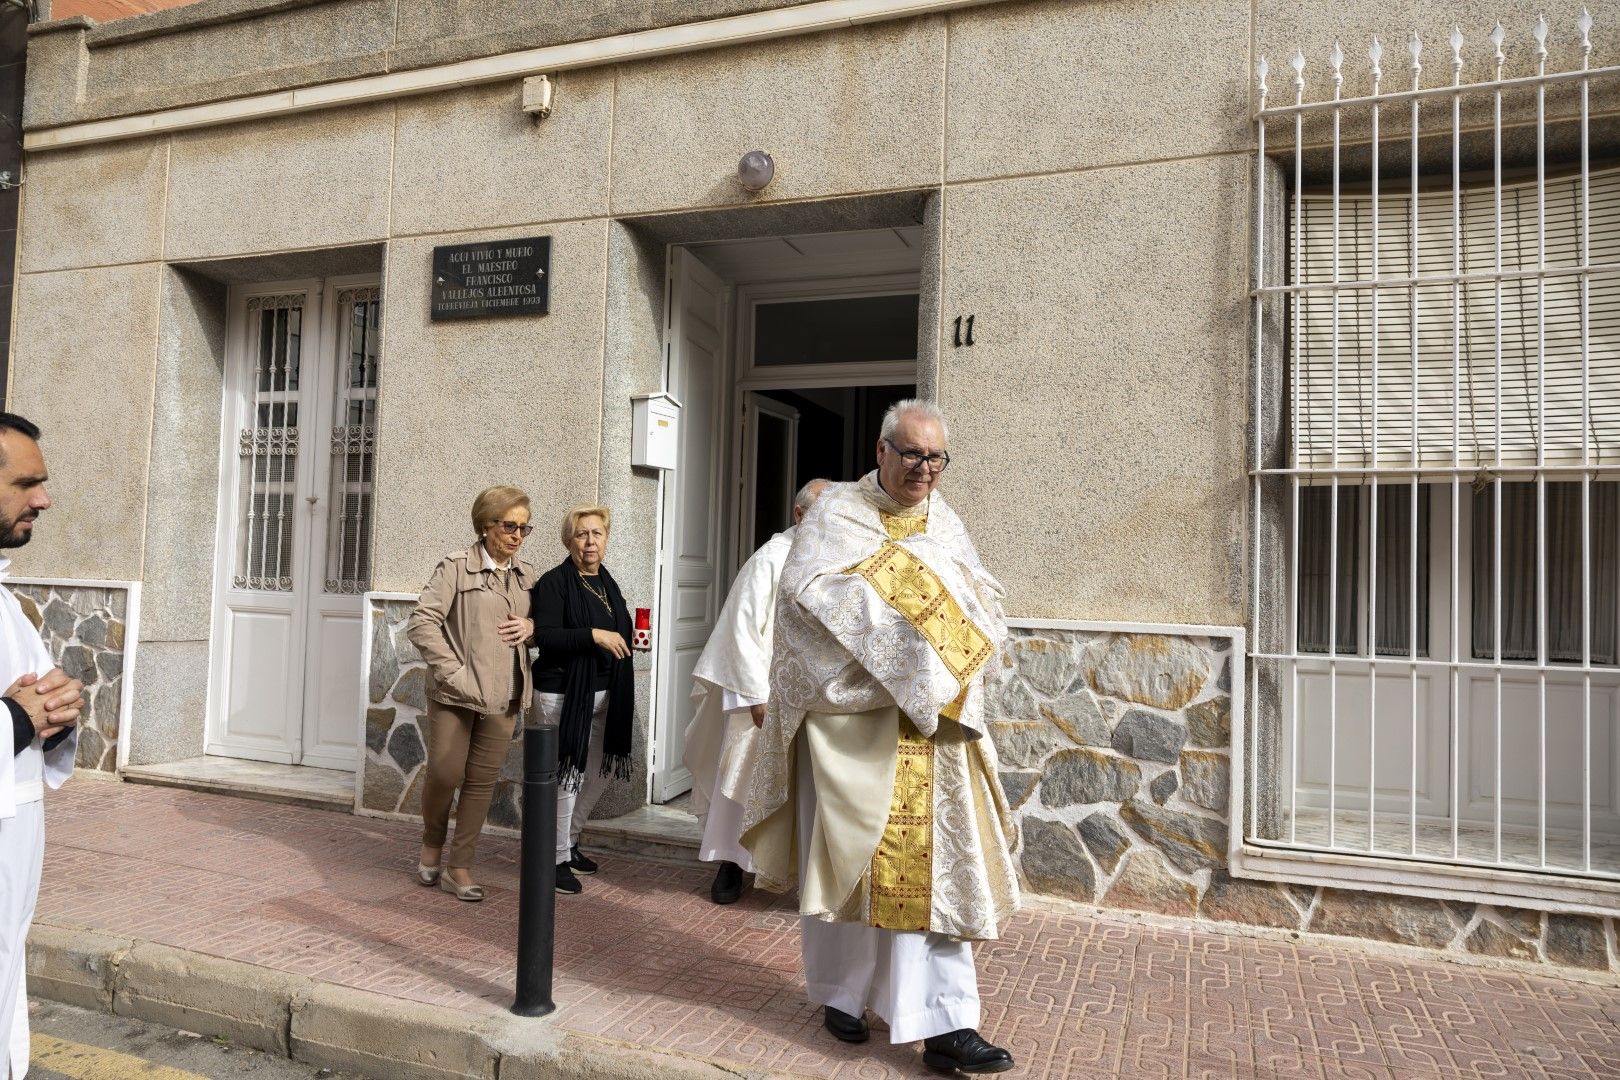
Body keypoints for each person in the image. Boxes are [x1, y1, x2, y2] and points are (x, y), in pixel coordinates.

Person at [741, 399, 1018, 1075]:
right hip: (854, 731)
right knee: (847, 870)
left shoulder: (945, 520)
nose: (926, 470)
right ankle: (843, 994)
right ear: (881, 450)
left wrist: (959, 648)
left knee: (940, 881)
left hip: (934, 732)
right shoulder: (836, 517)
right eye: (914, 454)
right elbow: (807, 606)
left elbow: (980, 596)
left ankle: (947, 1025)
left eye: (937, 458)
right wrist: (909, 646)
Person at [684, 478, 829, 905]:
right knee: (743, 777)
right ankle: (730, 864)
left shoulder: (832, 559)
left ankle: (795, 871)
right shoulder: (771, 558)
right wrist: (753, 695)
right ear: (800, 515)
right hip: (765, 692)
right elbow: (742, 627)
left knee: (804, 784)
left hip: (812, 695)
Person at [0, 413, 86, 1080]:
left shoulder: (7, 605)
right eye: (26, 483)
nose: (44, 499)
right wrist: (21, 719)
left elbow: (31, 724)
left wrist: (59, 712)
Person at [406, 486, 537, 902]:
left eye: (524, 527)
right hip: (455, 695)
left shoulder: (527, 577)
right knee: (445, 773)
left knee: (481, 783)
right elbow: (421, 622)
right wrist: (455, 672)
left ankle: (459, 866)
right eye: (509, 525)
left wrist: (534, 629)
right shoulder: (455, 568)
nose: (517, 535)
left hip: (504, 695)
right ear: (486, 526)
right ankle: (431, 841)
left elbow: (544, 624)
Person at [530, 505, 634, 896]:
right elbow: (546, 636)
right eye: (581, 534)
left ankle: (569, 842)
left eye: (597, 534)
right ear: (568, 540)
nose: (590, 542)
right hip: (563, 694)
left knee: (599, 771)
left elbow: (616, 629)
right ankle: (554, 859)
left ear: (606, 539)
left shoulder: (607, 581)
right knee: (567, 778)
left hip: (608, 691)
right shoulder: (554, 583)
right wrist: (593, 635)